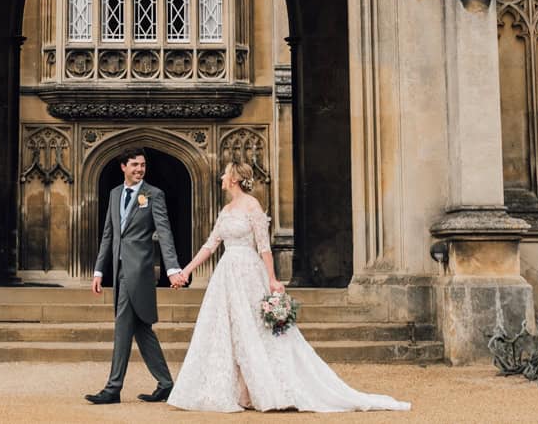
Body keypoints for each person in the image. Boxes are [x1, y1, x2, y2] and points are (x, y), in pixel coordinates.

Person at [168, 163, 409, 412]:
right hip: (226, 274)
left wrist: (272, 279)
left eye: (225, 173)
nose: (221, 176)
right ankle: (242, 392)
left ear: (235, 179)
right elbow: (210, 244)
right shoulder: (226, 210)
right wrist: (185, 271)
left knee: (255, 330)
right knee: (228, 330)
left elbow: (263, 246)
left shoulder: (252, 206)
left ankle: (266, 389)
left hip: (249, 273)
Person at [87, 149, 184, 404]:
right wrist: (99, 270)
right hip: (119, 271)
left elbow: (164, 232)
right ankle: (166, 384)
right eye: (134, 165)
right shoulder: (115, 194)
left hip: (139, 271)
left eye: (142, 165)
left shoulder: (154, 194)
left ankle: (113, 388)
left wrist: (172, 268)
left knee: (122, 326)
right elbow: (109, 234)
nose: (139, 169)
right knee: (141, 328)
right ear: (123, 167)